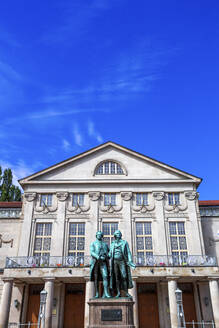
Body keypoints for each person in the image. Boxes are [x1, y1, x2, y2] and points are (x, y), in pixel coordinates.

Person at [109, 230, 136, 298]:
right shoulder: (112, 244)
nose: (118, 234)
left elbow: (128, 252)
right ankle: (118, 293)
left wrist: (130, 260)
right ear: (115, 235)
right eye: (117, 233)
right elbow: (110, 253)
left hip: (122, 261)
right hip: (114, 262)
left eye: (119, 233)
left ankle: (126, 292)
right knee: (116, 277)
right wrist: (106, 255)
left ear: (121, 235)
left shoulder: (124, 243)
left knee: (124, 276)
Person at [90, 231, 111, 298]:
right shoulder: (93, 243)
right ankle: (96, 293)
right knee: (96, 279)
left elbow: (109, 252)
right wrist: (97, 257)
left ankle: (106, 293)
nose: (99, 236)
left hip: (103, 262)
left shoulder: (105, 244)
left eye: (100, 235)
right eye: (98, 235)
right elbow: (92, 252)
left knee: (105, 276)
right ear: (96, 236)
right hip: (96, 262)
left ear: (102, 236)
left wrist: (108, 256)